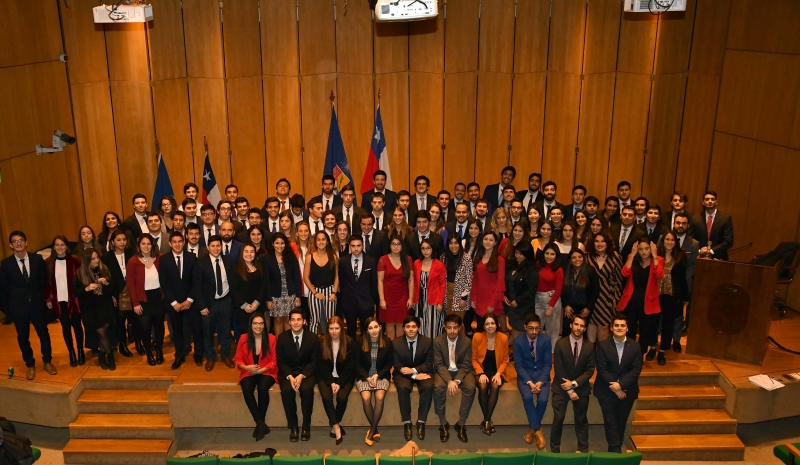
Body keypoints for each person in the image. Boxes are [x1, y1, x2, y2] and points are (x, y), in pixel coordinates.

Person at [0, 231, 57, 380]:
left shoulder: (37, 259)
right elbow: (4, 288)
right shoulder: (6, 264)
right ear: (11, 245)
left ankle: (47, 361)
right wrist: (9, 311)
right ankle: (30, 364)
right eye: (15, 241)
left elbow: (43, 281)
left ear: (26, 242)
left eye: (21, 240)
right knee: (23, 337)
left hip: (37, 305)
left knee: (43, 334)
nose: (18, 243)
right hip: (18, 308)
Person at [595, 312, 642, 453]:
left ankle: (614, 452)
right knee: (610, 423)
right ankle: (616, 452)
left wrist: (620, 386)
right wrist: (615, 387)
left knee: (621, 423)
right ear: (611, 327)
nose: (619, 328)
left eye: (622, 325)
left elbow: (635, 370)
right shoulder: (603, 345)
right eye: (616, 325)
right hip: (606, 391)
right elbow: (602, 369)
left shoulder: (635, 346)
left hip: (627, 391)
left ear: (627, 328)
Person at [550, 314, 595, 453]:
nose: (578, 328)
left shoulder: (590, 346)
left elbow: (590, 371)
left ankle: (583, 450)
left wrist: (574, 384)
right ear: (571, 325)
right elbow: (559, 369)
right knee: (558, 419)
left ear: (585, 328)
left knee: (581, 420)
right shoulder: (560, 344)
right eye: (576, 324)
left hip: (580, 388)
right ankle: (555, 452)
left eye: (582, 326)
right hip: (561, 387)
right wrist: (570, 390)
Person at [159, 232, 203, 370]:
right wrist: (174, 302)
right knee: (177, 331)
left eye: (180, 241)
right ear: (170, 243)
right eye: (174, 242)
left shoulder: (192, 257)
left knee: (196, 329)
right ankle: (179, 355)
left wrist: (190, 300)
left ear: (184, 242)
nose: (177, 244)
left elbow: (196, 281)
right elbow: (164, 283)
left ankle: (198, 354)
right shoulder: (164, 260)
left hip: (191, 302)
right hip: (174, 304)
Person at [276, 308, 319, 442]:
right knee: (287, 391)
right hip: (288, 373)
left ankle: (306, 426)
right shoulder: (282, 338)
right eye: (293, 320)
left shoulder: (313, 338)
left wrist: (301, 376)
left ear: (304, 321)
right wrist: (290, 376)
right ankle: (293, 427)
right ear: (289, 322)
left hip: (306, 373)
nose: (296, 323)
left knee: (306, 390)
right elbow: (281, 362)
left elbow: (314, 362)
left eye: (299, 319)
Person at [193, 234, 235, 371]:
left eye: (218, 246)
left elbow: (233, 281)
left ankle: (225, 355)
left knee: (226, 331)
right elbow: (197, 286)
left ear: (221, 247)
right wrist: (201, 306)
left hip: (225, 301)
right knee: (208, 332)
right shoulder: (201, 263)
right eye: (213, 246)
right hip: (208, 304)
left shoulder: (228, 260)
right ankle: (210, 358)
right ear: (208, 247)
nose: (216, 248)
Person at [432, 314, 475, 443]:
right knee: (438, 387)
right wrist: (449, 381)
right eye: (449, 327)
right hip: (444, 371)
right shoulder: (437, 341)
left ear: (460, 328)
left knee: (471, 387)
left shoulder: (466, 341)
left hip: (461, 371)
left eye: (455, 328)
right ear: (444, 327)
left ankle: (461, 424)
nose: (452, 331)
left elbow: (466, 364)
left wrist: (456, 380)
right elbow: (439, 364)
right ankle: (443, 423)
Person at [618, 238, 664, 358]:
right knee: (631, 329)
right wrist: (632, 255)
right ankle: (629, 354)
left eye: (646, 249)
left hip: (648, 301)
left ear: (651, 249)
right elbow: (624, 273)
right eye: (640, 249)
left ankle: (640, 355)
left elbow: (659, 274)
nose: (644, 252)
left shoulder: (658, 260)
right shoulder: (632, 258)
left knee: (645, 330)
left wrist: (654, 255)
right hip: (632, 300)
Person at [392, 315, 434, 441]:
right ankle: (407, 422)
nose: (411, 329)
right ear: (403, 328)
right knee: (403, 388)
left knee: (428, 386)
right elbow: (397, 365)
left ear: (418, 328)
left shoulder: (427, 342)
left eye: (414, 327)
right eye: (408, 327)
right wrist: (414, 375)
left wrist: (414, 370)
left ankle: (421, 422)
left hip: (423, 371)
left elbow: (429, 363)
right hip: (402, 374)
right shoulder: (396, 343)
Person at [75, 249, 118, 370]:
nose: (96, 260)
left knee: (104, 332)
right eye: (93, 259)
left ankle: (101, 355)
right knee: (102, 333)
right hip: (91, 309)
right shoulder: (80, 274)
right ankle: (110, 356)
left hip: (105, 306)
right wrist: (87, 289)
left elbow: (112, 289)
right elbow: (76, 292)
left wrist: (107, 283)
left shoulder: (104, 269)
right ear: (86, 260)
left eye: (97, 258)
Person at [45, 236, 84, 367]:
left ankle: (80, 351)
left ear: (66, 246)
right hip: (59, 301)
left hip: (74, 299)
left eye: (62, 245)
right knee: (66, 328)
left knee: (77, 326)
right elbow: (46, 283)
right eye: (57, 245)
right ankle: (71, 352)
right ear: (53, 247)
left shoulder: (74, 261)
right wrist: (48, 298)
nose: (60, 247)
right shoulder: (48, 263)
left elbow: (81, 280)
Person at [126, 234, 165, 366]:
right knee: (145, 328)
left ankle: (159, 351)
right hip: (142, 299)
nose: (146, 246)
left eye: (149, 243)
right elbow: (130, 284)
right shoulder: (133, 261)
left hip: (158, 298)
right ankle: (149, 353)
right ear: (139, 245)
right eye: (143, 243)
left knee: (159, 327)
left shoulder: (160, 258)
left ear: (152, 245)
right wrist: (135, 303)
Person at [514, 313, 551, 449]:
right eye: (531, 328)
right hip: (525, 375)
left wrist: (541, 381)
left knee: (543, 400)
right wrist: (529, 382)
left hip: (542, 374)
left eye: (537, 328)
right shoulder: (518, 341)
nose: (534, 331)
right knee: (528, 397)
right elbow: (518, 365)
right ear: (525, 327)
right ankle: (538, 430)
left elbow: (548, 364)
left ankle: (532, 429)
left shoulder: (546, 340)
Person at [316, 316, 354, 445]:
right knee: (327, 397)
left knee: (342, 398)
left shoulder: (349, 342)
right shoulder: (321, 342)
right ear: (327, 329)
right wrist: (331, 382)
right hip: (325, 376)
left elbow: (350, 367)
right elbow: (320, 365)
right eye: (331, 328)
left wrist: (339, 383)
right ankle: (336, 426)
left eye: (337, 328)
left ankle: (333, 424)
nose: (334, 331)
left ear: (342, 329)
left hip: (344, 377)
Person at [357, 317, 393, 446]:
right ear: (366, 330)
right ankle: (375, 429)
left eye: (376, 327)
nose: (374, 330)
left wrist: (377, 375)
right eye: (370, 328)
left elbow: (389, 363)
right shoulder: (360, 342)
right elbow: (357, 364)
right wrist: (367, 377)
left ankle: (371, 431)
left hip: (381, 376)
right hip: (364, 376)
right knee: (366, 398)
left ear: (381, 327)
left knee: (379, 397)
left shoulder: (387, 342)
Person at [471, 314, 509, 435]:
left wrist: (499, 374)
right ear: (483, 326)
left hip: (496, 371)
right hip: (481, 370)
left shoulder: (503, 338)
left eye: (492, 323)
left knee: (494, 386)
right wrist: (481, 373)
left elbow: (505, 360)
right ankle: (488, 421)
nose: (490, 326)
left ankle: (486, 420)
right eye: (487, 324)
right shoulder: (477, 336)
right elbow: (474, 360)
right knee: (482, 387)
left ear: (497, 324)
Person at [101, 230, 136, 358]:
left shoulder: (132, 253)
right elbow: (105, 276)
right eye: (118, 240)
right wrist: (110, 294)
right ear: (112, 242)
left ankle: (137, 341)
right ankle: (122, 344)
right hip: (116, 293)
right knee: (120, 321)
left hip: (132, 291)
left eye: (124, 239)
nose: (122, 242)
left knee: (135, 319)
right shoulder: (106, 257)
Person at [656, 231, 689, 365]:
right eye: (667, 239)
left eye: (672, 240)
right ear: (663, 241)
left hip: (671, 296)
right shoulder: (656, 255)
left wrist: (685, 298)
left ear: (676, 242)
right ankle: (652, 347)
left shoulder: (680, 257)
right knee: (653, 323)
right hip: (655, 295)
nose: (669, 242)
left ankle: (662, 350)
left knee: (668, 324)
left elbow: (682, 279)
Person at [338, 235, 379, 338]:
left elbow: (373, 282)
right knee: (350, 332)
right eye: (353, 246)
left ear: (363, 246)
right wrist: (343, 301)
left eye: (358, 245)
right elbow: (342, 282)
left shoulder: (371, 261)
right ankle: (352, 348)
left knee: (366, 331)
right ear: (349, 246)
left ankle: (365, 348)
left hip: (366, 302)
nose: (356, 249)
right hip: (349, 301)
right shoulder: (343, 261)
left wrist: (374, 301)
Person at [586, 233, 623, 343]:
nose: (599, 244)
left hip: (607, 298)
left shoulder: (615, 257)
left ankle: (602, 352)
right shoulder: (587, 257)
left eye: (603, 241)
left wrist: (616, 300)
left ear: (607, 243)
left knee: (603, 327)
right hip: (590, 298)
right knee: (591, 325)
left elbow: (619, 281)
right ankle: (591, 352)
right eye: (597, 241)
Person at [263, 232, 303, 337]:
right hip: (275, 295)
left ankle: (288, 343)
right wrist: (268, 299)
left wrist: (298, 296)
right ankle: (279, 343)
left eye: (282, 243)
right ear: (273, 244)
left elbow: (297, 277)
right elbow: (266, 280)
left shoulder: (291, 257)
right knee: (278, 320)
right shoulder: (267, 259)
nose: (280, 246)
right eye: (277, 243)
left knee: (289, 319)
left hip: (290, 294)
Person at [231, 244, 268, 347]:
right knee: (245, 334)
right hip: (243, 308)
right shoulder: (236, 269)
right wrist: (244, 305)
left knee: (259, 332)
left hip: (258, 306)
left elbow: (264, 286)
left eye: (252, 251)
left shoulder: (260, 267)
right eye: (246, 251)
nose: (249, 254)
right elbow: (233, 290)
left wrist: (256, 302)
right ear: (241, 253)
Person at [378, 234, 414, 340]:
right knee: (389, 324)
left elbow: (411, 280)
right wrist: (382, 299)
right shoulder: (383, 259)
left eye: (398, 244)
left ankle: (399, 348)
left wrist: (411, 298)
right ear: (389, 245)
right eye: (393, 244)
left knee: (401, 324)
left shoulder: (408, 259)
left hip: (403, 296)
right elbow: (380, 281)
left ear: (402, 245)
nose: (396, 246)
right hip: (387, 297)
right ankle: (390, 348)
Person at [470, 232, 506, 333]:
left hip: (492, 298)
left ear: (495, 243)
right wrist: (473, 297)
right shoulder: (478, 257)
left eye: (491, 240)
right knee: (480, 329)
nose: (488, 242)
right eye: (486, 239)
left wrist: (493, 302)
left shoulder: (500, 260)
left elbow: (500, 282)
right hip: (479, 298)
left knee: (491, 329)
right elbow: (474, 279)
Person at [503, 242, 539, 342]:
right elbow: (506, 283)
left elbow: (531, 291)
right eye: (516, 253)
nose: (518, 256)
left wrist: (518, 301)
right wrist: (504, 295)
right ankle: (517, 350)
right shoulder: (512, 265)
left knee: (521, 333)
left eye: (521, 254)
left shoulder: (532, 270)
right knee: (514, 329)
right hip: (511, 305)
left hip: (523, 307)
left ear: (527, 255)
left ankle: (520, 351)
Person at [304, 232, 339, 335]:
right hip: (314, 291)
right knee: (314, 320)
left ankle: (330, 342)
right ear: (315, 242)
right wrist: (315, 293)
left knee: (331, 321)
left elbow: (337, 277)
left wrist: (334, 293)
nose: (321, 242)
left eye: (323, 239)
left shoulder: (333, 257)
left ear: (327, 241)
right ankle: (313, 342)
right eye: (318, 239)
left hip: (330, 291)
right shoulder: (309, 257)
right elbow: (305, 277)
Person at [561, 249, 600, 338]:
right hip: (570, 308)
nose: (577, 259)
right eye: (574, 258)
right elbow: (562, 290)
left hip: (584, 309)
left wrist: (588, 307)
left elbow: (596, 290)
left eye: (580, 257)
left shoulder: (590, 271)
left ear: (584, 258)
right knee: (567, 331)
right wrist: (566, 305)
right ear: (570, 260)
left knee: (581, 332)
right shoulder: (566, 271)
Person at [413, 239, 447, 338]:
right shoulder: (417, 263)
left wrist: (440, 303)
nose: (426, 251)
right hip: (420, 299)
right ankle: (422, 346)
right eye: (423, 248)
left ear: (432, 249)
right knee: (420, 325)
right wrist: (414, 299)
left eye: (428, 248)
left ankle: (433, 346)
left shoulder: (439, 265)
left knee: (433, 326)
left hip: (434, 300)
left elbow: (443, 285)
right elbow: (414, 283)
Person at [441, 236, 474, 334]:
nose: (453, 245)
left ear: (460, 244)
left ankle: (461, 342)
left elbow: (469, 279)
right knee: (449, 322)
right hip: (447, 294)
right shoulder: (443, 257)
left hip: (461, 295)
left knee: (458, 323)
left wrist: (464, 298)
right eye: (451, 243)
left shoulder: (466, 258)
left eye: (456, 243)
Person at [691, 190, 734, 260]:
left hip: (719, 257)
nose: (710, 201)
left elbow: (728, 240)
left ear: (716, 202)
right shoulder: (695, 218)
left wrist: (711, 251)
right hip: (699, 257)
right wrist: (700, 251)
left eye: (712, 199)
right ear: (703, 202)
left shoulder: (725, 219)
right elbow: (690, 239)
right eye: (707, 199)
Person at [537, 243, 564, 345]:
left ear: (556, 255)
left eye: (552, 254)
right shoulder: (538, 264)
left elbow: (558, 290)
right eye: (547, 253)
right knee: (536, 327)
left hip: (552, 300)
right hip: (537, 299)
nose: (549, 256)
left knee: (552, 330)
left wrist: (550, 306)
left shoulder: (559, 270)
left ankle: (552, 351)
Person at [291, 222, 311, 322]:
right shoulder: (291, 247)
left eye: (306, 231)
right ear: (297, 233)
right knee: (299, 318)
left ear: (309, 232)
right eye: (301, 231)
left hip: (312, 288)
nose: (303, 233)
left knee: (311, 317)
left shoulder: (314, 247)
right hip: (297, 288)